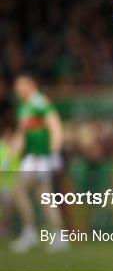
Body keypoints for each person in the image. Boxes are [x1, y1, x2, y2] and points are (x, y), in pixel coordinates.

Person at [10, 74, 68, 253]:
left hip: (39, 157)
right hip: (33, 157)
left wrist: (54, 152)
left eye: (21, 85)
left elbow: (55, 127)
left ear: (31, 85)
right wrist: (10, 156)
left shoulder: (40, 102)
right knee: (44, 196)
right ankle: (59, 235)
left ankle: (30, 232)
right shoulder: (25, 106)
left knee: (19, 191)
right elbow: (22, 134)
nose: (17, 89)